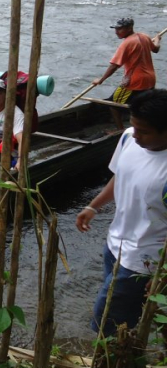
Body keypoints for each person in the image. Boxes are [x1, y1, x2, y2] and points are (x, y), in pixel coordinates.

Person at [75, 89, 167, 336]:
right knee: (142, 315)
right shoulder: (127, 138)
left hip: (144, 261)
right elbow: (121, 175)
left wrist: (163, 272)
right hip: (114, 244)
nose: (136, 134)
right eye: (133, 126)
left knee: (106, 323)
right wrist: (93, 206)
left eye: (144, 131)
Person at [93, 17, 160, 130]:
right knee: (143, 105)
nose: (116, 32)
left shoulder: (127, 43)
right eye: (116, 29)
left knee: (113, 104)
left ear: (129, 28)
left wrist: (101, 80)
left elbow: (114, 65)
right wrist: (157, 39)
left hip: (134, 81)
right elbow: (156, 49)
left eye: (120, 29)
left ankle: (120, 131)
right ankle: (148, 126)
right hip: (150, 79)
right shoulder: (144, 37)